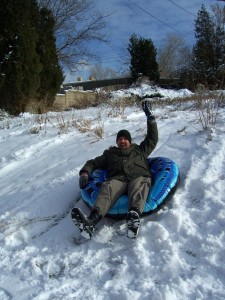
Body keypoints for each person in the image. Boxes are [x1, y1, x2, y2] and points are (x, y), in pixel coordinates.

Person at [71, 100, 158, 239]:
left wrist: (150, 118)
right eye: (120, 139)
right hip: (118, 179)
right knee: (108, 188)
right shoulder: (110, 154)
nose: (122, 141)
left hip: (138, 175)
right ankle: (90, 223)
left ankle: (133, 220)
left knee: (139, 185)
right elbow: (93, 163)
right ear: (117, 142)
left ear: (130, 141)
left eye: (125, 139)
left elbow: (152, 138)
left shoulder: (140, 150)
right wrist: (84, 172)